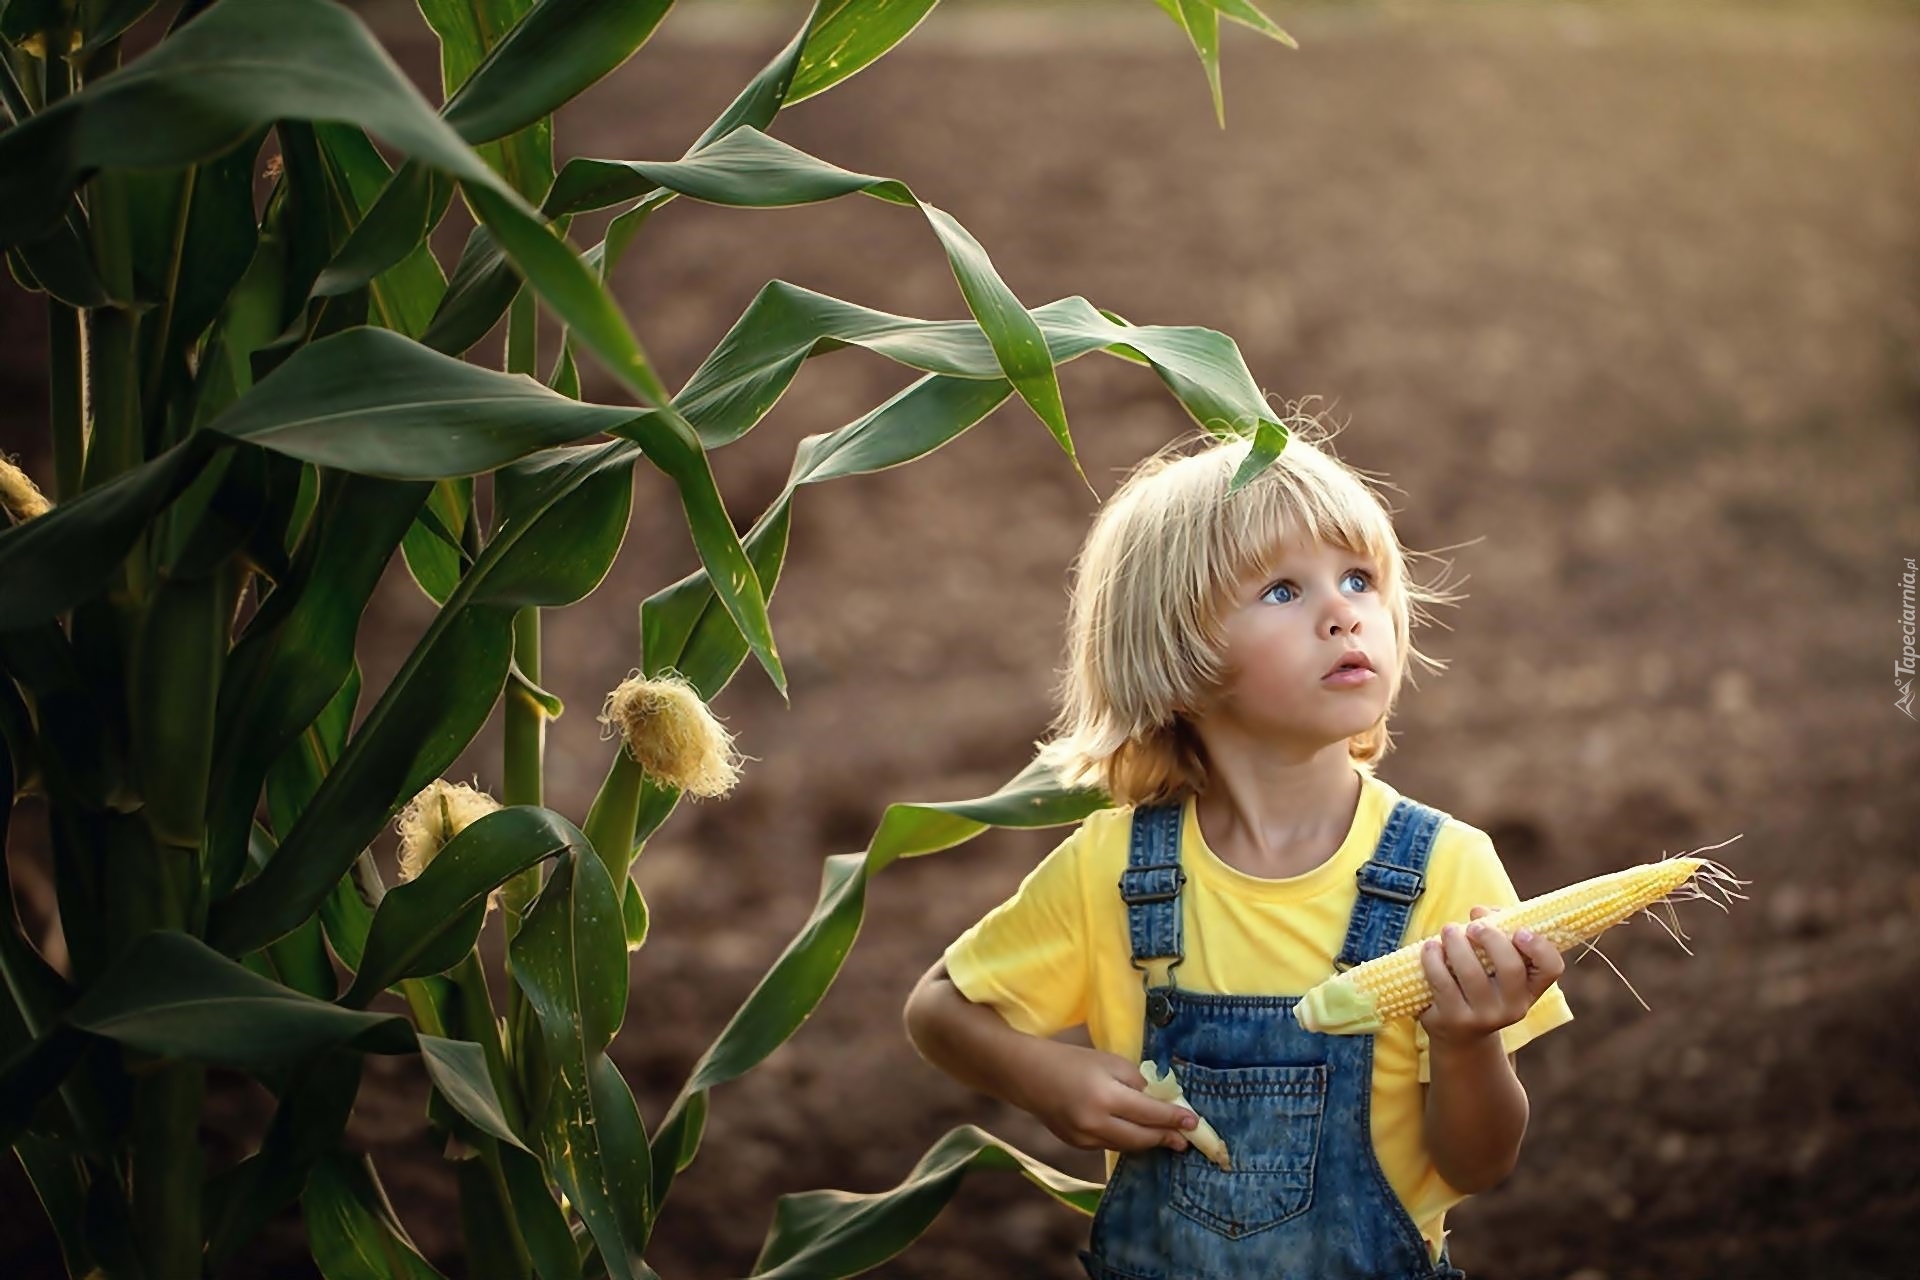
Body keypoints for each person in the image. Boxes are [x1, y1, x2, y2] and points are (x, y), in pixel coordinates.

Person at [903, 420, 1574, 1278]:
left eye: (1360, 579)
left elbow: (1480, 1165)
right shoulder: (1114, 870)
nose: (1341, 613)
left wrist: (1470, 1040)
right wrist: (1045, 1082)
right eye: (1283, 593)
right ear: (1176, 651)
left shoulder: (1445, 867)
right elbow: (937, 1012)